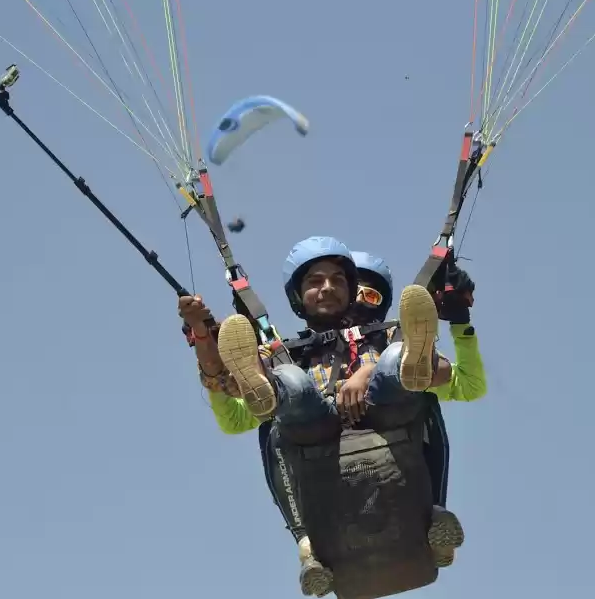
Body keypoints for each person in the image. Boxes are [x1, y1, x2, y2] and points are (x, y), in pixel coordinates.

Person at [177, 237, 466, 594]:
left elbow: (453, 377)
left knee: (397, 361)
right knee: (289, 381)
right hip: (317, 434)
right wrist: (204, 336)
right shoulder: (288, 353)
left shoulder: (388, 336)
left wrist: (368, 373)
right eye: (315, 281)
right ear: (298, 296)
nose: (327, 288)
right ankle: (307, 541)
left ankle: (434, 511)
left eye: (338, 280)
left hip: (386, 418)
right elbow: (228, 399)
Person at [349, 250, 486, 566]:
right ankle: (308, 542)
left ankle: (434, 515)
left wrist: (460, 323)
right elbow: (240, 418)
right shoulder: (305, 354)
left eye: (370, 295)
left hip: (397, 434)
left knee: (418, 388)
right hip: (332, 445)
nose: (359, 300)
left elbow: (471, 385)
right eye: (353, 290)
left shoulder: (394, 344)